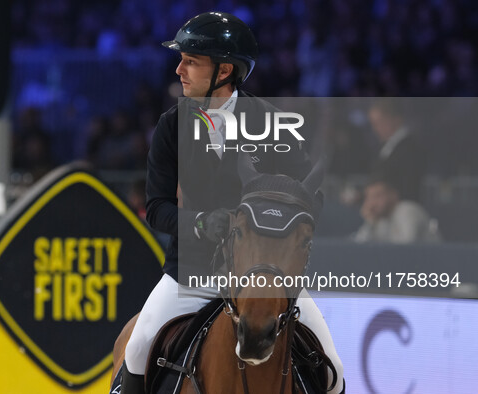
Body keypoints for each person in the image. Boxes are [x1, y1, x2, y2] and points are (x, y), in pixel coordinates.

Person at [122, 12, 344, 394]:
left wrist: (288, 226)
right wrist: (200, 223)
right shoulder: (170, 126)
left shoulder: (271, 123)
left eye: (191, 61)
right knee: (137, 348)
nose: (179, 70)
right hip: (192, 274)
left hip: (267, 277)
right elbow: (156, 207)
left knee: (334, 372)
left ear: (224, 70)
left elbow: (308, 197)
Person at [368, 99, 425, 202]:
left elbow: (408, 185)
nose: (375, 128)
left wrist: (386, 199)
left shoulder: (408, 148)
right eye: (373, 124)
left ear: (395, 119)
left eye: (379, 122)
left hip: (403, 207)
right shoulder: (386, 147)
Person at [354, 176, 441, 244]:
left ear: (393, 195)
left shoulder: (407, 210)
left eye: (378, 196)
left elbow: (406, 247)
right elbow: (358, 246)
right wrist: (369, 223)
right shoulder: (379, 219)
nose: (372, 203)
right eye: (369, 198)